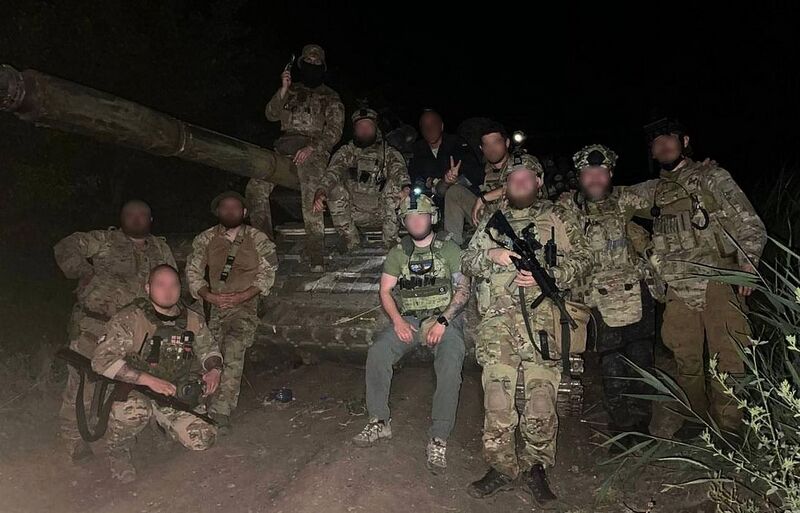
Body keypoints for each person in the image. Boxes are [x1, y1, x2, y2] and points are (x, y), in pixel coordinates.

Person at [462, 153, 591, 505]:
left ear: (538, 181)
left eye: (526, 177)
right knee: (497, 398)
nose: (519, 182)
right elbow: (467, 261)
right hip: (498, 324)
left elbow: (585, 260)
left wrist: (548, 275)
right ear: (506, 184)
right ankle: (502, 467)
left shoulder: (559, 217)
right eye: (513, 177)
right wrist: (492, 256)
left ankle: (537, 467)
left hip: (543, 322)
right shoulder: (492, 219)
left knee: (541, 399)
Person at [630, 119, 767, 440]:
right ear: (652, 151)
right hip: (678, 287)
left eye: (669, 139)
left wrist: (748, 264)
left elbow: (749, 222)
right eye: (657, 142)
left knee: (729, 353)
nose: (664, 145)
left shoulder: (712, 177)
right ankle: (696, 418)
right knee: (685, 357)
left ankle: (730, 426)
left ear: (685, 141)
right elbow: (610, 200)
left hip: (718, 279)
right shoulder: (652, 191)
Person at [352, 193, 469, 474]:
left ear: (432, 218)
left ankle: (439, 435)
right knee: (379, 351)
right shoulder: (398, 253)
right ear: (404, 222)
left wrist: (443, 321)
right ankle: (379, 421)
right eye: (410, 218)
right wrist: (397, 322)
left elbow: (464, 289)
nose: (416, 222)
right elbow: (385, 290)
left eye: (421, 216)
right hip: (410, 318)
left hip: (443, 318)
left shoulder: (449, 248)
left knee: (450, 361)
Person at [53, 200, 176, 462]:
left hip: (139, 329)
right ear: (122, 217)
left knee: (139, 378)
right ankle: (74, 440)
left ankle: (134, 431)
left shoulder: (160, 248)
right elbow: (65, 247)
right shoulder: (105, 240)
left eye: (142, 214)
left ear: (151, 219)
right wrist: (84, 271)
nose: (137, 219)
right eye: (130, 214)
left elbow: (172, 280)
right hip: (96, 325)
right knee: (82, 383)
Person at [558, 144, 656, 451]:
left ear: (610, 173)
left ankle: (641, 427)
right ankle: (621, 429)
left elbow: (663, 192)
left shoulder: (624, 199)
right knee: (612, 366)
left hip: (635, 293)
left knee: (641, 361)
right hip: (598, 300)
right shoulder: (567, 207)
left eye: (600, 172)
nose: (595, 179)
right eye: (588, 173)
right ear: (579, 177)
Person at [91, 264, 222, 483]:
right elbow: (101, 360)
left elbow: (209, 350)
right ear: (148, 288)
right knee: (134, 411)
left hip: (172, 392)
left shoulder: (192, 319)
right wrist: (147, 380)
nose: (168, 291)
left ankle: (163, 425)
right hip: (135, 390)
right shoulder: (131, 318)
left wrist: (214, 370)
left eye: (174, 285)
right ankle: (117, 449)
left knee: (204, 438)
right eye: (160, 285)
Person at [185, 191, 278, 433]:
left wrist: (241, 296)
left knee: (234, 346)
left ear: (244, 212)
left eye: (235, 207)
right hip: (212, 303)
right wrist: (209, 296)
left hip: (244, 304)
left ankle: (221, 411)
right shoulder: (206, 238)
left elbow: (268, 273)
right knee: (201, 349)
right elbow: (193, 272)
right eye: (225, 207)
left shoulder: (258, 238)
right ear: (218, 211)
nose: (230, 211)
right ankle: (195, 402)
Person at [245, 44, 344, 269]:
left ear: (322, 67)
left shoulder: (330, 96)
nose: (312, 65)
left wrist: (312, 147)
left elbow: (334, 131)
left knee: (311, 192)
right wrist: (283, 88)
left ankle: (316, 253)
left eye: (316, 63)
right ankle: (266, 251)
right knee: (255, 187)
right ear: (301, 64)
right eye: (308, 62)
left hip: (313, 150)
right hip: (283, 148)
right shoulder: (291, 91)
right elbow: (271, 114)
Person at [312, 108, 411, 251]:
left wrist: (405, 187)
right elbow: (332, 172)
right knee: (333, 189)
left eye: (368, 126)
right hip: (354, 213)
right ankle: (350, 241)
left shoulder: (388, 152)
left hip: (382, 212)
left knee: (396, 186)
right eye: (360, 127)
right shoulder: (346, 152)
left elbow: (399, 170)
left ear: (375, 128)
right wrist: (321, 191)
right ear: (354, 130)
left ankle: (391, 242)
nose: (364, 130)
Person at [408, 110, 482, 221]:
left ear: (441, 126)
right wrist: (429, 184)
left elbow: (475, 174)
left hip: (463, 203)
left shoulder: (457, 144)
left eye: (433, 124)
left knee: (454, 191)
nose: (429, 129)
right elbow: (414, 179)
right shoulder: (417, 150)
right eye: (425, 126)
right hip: (431, 207)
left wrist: (455, 181)